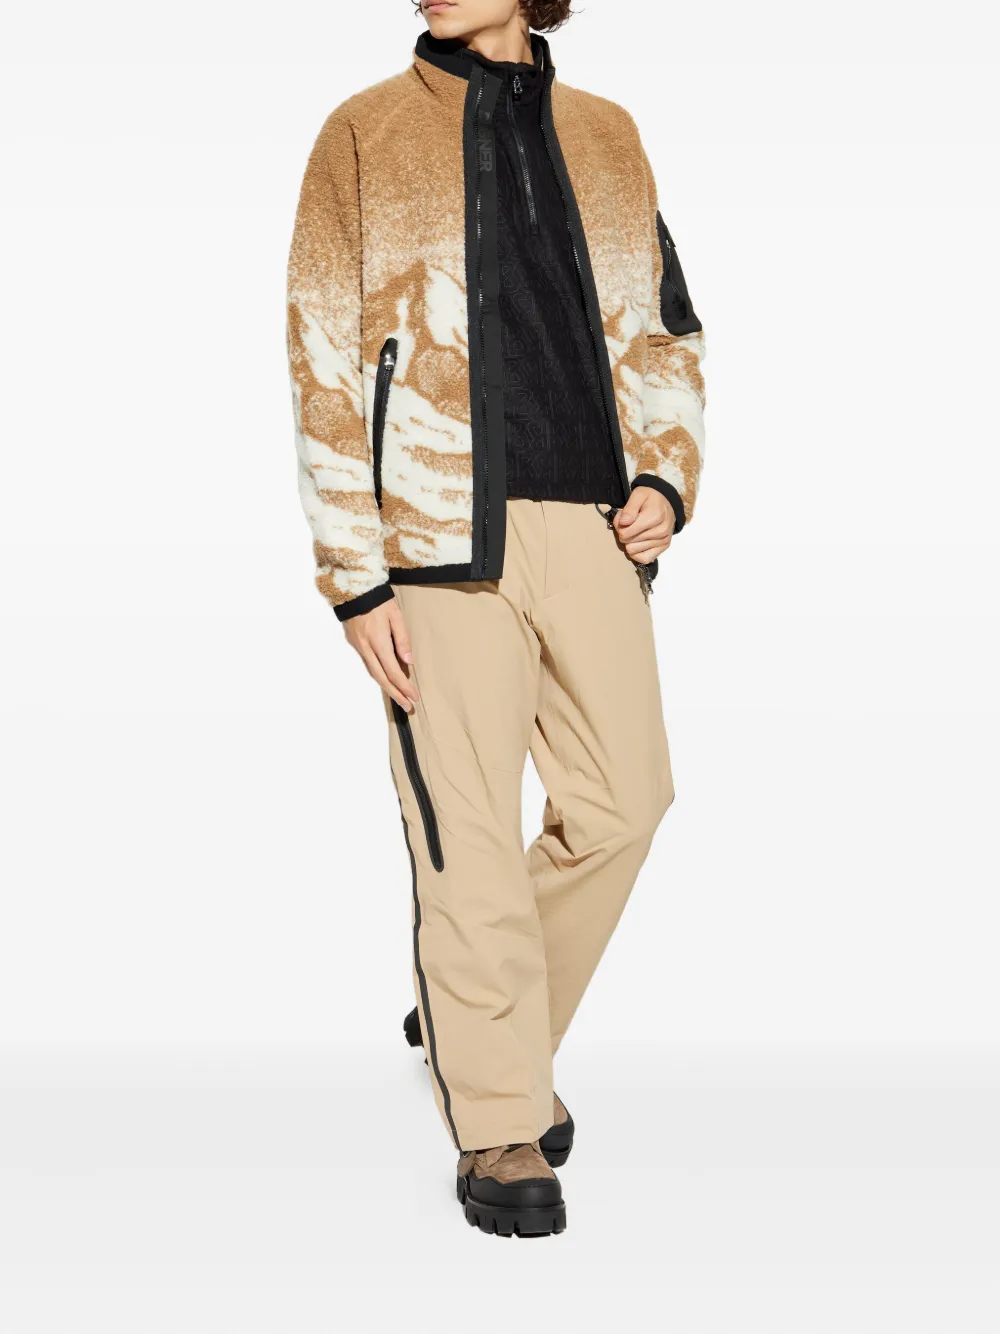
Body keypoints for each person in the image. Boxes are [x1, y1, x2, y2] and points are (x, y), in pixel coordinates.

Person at [286, 0, 705, 1237]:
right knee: (465, 834)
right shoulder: (362, 132)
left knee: (626, 801)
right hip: (432, 536)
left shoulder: (608, 132)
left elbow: (664, 328)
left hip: (590, 523)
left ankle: (469, 1022)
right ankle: (500, 1116)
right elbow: (317, 354)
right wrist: (354, 573)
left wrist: (664, 472)